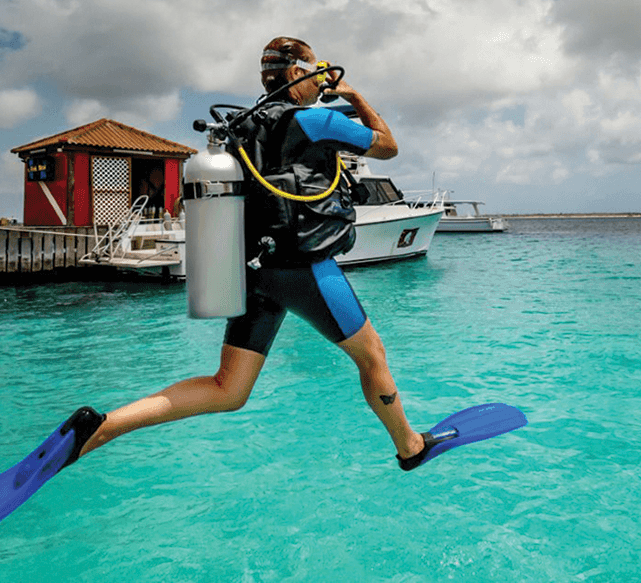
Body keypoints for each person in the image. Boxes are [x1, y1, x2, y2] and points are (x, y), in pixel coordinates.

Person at [68, 37, 434, 470]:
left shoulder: (240, 128)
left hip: (253, 271)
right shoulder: (314, 121)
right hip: (304, 269)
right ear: (298, 73)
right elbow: (388, 146)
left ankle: (103, 427)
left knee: (229, 389)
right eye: (315, 73)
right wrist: (352, 95)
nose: (320, 84)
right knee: (371, 354)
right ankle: (410, 446)